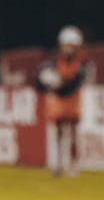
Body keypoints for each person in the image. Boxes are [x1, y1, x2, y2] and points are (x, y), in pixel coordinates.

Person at [35, 25, 87, 177]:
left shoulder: (80, 66)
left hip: (72, 102)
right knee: (56, 133)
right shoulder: (52, 63)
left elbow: (71, 87)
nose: (67, 49)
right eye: (65, 45)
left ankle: (72, 165)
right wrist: (47, 82)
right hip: (57, 104)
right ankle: (56, 164)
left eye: (71, 46)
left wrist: (56, 85)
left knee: (72, 134)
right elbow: (39, 83)